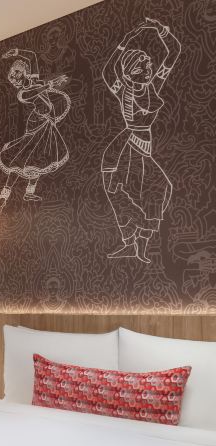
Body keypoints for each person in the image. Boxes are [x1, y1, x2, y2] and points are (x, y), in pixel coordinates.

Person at [101, 18, 181, 263]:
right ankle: (130, 243)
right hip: (126, 147)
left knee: (158, 190)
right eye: (143, 67)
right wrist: (125, 42)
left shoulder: (153, 87)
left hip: (144, 147)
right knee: (128, 194)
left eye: (148, 66)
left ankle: (140, 247)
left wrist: (161, 30)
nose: (148, 70)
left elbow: (174, 52)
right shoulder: (122, 90)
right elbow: (108, 70)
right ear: (129, 71)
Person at [0, 48, 71, 215]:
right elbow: (35, 92)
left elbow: (32, 56)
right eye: (14, 77)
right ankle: (2, 201)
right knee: (19, 163)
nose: (16, 79)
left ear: (25, 73)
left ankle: (29, 194)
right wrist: (50, 84)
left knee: (39, 159)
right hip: (36, 124)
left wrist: (15, 52)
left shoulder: (33, 79)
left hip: (46, 122)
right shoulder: (22, 94)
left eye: (18, 74)